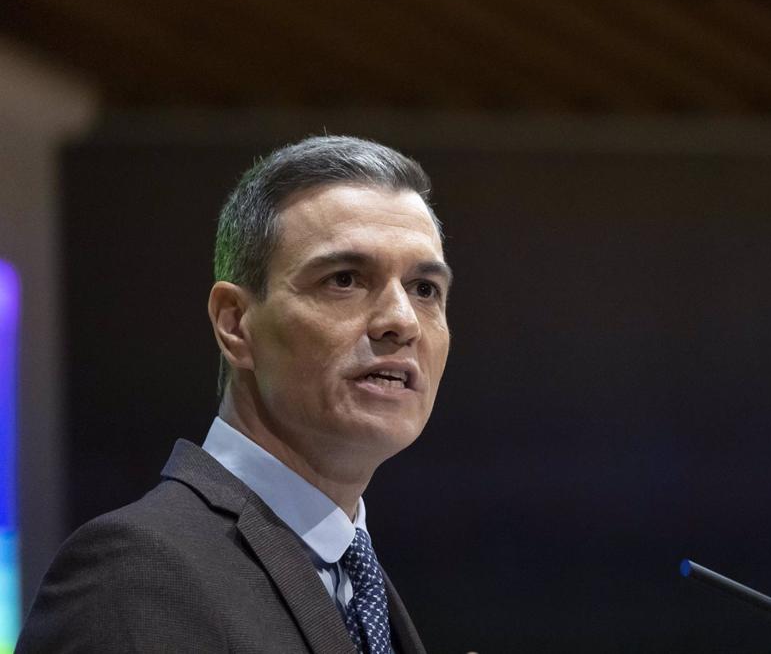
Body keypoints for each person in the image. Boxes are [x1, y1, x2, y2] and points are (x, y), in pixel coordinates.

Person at [16, 135, 452, 653]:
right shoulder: (138, 572)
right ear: (236, 324)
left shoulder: (357, 582)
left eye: (425, 289)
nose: (402, 322)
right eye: (344, 279)